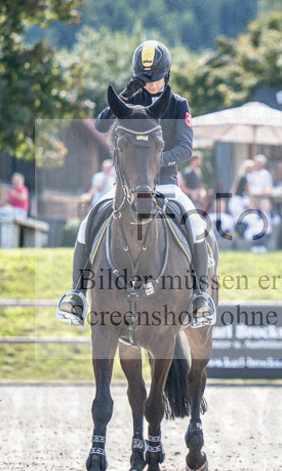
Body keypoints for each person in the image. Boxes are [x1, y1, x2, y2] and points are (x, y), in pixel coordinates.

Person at [57, 39, 215, 327]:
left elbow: (186, 149)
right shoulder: (131, 101)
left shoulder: (179, 104)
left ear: (167, 75)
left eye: (156, 79)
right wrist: (126, 94)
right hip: (127, 186)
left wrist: (154, 161)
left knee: (195, 224)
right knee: (87, 222)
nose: (152, 85)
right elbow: (101, 126)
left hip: (165, 182)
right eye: (146, 80)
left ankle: (200, 296)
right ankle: (77, 295)